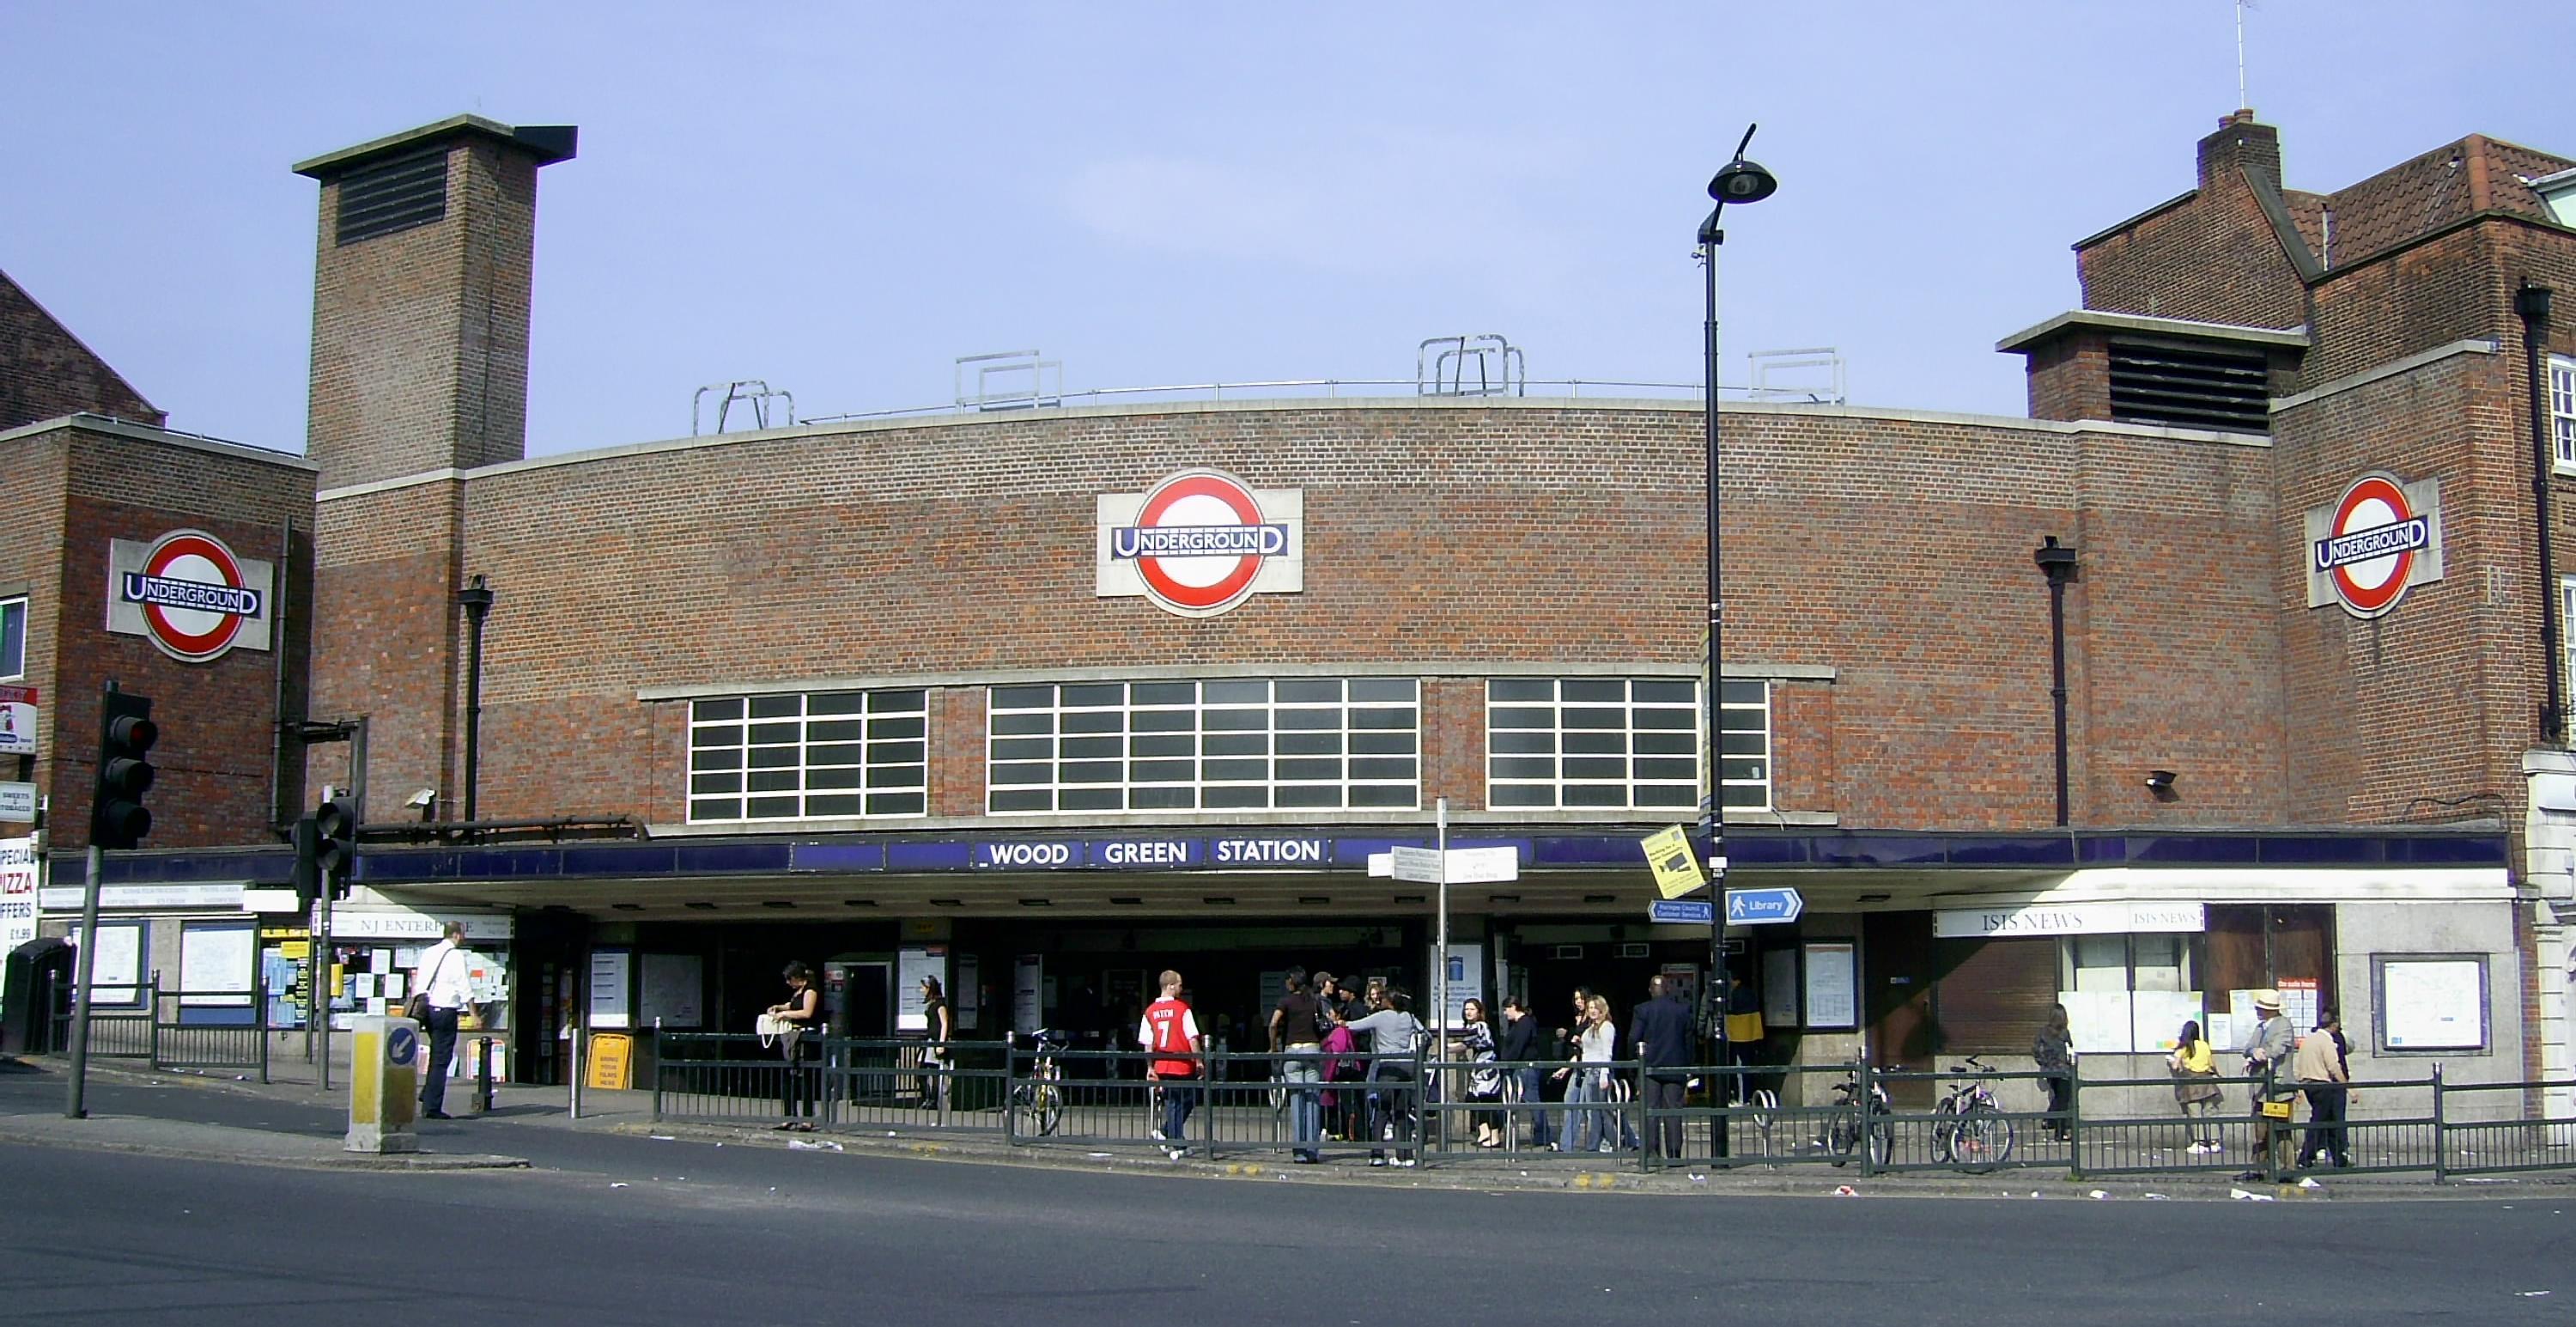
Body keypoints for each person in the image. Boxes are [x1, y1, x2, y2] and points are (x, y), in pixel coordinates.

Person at [1336, 985, 1427, 1167]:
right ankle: (1405, 1155)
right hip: (1407, 1067)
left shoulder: (1382, 1016)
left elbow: (1355, 1026)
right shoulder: (1408, 1016)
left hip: (1387, 1066)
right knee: (1402, 1111)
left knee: (1382, 1110)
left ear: (1389, 1001)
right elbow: (1423, 1032)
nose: (1380, 1000)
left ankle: (1377, 1154)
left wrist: (1340, 1022)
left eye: (1383, 998)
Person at [411, 922, 474, 1120]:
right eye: (462, 934)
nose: (463, 938)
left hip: (427, 1009)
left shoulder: (429, 952)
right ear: (455, 935)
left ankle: (428, 1094)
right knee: (442, 1059)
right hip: (445, 1010)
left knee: (436, 1054)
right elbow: (464, 985)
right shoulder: (455, 956)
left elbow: (420, 982)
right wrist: (473, 1012)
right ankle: (432, 1107)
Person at [1140, 970, 1203, 1160]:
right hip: (1182, 1063)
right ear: (1170, 986)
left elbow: (1147, 1043)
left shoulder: (1150, 1011)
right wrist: (1199, 1060)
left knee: (1173, 1102)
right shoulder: (1183, 1009)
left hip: (1161, 1063)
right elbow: (1192, 1037)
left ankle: (1169, 1134)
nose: (1181, 988)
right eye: (1180, 985)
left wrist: (1150, 1067)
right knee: (1186, 1099)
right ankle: (1176, 1141)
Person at [2237, 989, 2299, 1179]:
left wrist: (2260, 1053)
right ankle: (2259, 1169)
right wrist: (2254, 1052)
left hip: (2278, 1089)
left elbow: (2276, 1050)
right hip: (2261, 1089)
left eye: (2261, 1008)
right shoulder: (2260, 1027)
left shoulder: (2284, 1026)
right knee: (2259, 1130)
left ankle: (2288, 1170)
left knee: (2281, 1131)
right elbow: (2247, 1048)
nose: (2258, 1010)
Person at [1631, 975, 1692, 1161]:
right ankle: (1674, 1155)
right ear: (1668, 989)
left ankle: (1651, 1154)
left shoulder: (1642, 1010)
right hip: (1675, 1066)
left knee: (1650, 1112)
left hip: (1650, 1067)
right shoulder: (1682, 1010)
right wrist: (1688, 1066)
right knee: (1673, 1111)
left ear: (1650, 990)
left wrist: (1634, 1066)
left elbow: (1633, 1038)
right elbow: (1689, 1041)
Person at [1267, 966, 1326, 1163]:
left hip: (1292, 1050)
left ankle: (1299, 1151)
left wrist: (1273, 1047)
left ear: (1290, 982)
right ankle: (1313, 1150)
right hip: (1312, 1050)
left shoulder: (1285, 1001)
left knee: (1296, 1101)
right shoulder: (1314, 1000)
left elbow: (1274, 1023)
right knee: (1312, 1099)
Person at [1558, 994, 1619, 1154]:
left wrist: (1605, 1074)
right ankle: (1596, 1144)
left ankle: (1608, 1142)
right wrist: (1578, 1043)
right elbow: (1587, 1049)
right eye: (1590, 1008)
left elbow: (1607, 1052)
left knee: (1600, 1110)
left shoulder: (1606, 1027)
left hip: (1599, 1072)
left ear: (1602, 1009)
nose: (1592, 1011)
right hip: (1588, 1070)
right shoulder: (1591, 1029)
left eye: (1595, 1008)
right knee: (1591, 1110)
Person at [2294, 1010, 2353, 1170]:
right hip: (2323, 1085)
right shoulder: (2326, 1041)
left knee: (2329, 1121)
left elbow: (2300, 1065)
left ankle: (2339, 1159)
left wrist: (2299, 1087)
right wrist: (2348, 1088)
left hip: (2309, 1085)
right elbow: (2334, 1066)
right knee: (2319, 1122)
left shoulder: (2308, 1040)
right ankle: (2305, 1158)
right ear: (2334, 1025)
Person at [766, 960, 822, 1128]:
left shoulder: (810, 991)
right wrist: (779, 1008)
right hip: (793, 1035)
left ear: (798, 978)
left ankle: (807, 1118)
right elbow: (791, 1005)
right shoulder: (797, 992)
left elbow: (806, 1012)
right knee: (789, 1076)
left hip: (806, 1036)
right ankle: (789, 1116)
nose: (788, 983)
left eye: (790, 979)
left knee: (805, 1078)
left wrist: (785, 1015)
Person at [1498, 995, 1549, 1148]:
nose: (1505, 1013)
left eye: (1506, 1009)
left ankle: (1542, 1134)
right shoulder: (1521, 1024)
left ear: (1513, 1007)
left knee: (1532, 1100)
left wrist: (1506, 1061)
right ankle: (1539, 1134)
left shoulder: (1524, 1023)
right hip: (1521, 1067)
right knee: (1523, 1100)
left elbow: (1518, 1045)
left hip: (1525, 1067)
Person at [1451, 997, 1503, 1148]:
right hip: (1479, 1065)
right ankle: (1484, 1132)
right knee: (1473, 1098)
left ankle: (1494, 1136)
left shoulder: (1480, 1026)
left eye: (1472, 1009)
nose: (1468, 1012)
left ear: (1479, 1012)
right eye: (1466, 1009)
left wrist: (1445, 1048)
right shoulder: (1472, 1026)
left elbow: (1465, 1044)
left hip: (1487, 1066)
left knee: (1488, 1100)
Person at [2168, 1018, 2223, 1154]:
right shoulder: (2204, 1045)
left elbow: (2176, 1066)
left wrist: (2171, 1061)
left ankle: (2199, 1143)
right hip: (2207, 1081)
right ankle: (2214, 1142)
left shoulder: (2184, 1047)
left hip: (2191, 1083)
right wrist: (2218, 1074)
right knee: (2210, 1111)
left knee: (2195, 1113)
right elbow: (2212, 1064)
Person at [2032, 1002, 2075, 1141]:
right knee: (2063, 1100)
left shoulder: (2043, 1032)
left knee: (2057, 1098)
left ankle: (2051, 1122)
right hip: (2063, 1071)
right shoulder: (2064, 1033)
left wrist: (2044, 1062)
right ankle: (2058, 1130)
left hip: (2049, 1071)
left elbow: (2035, 1050)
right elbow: (2070, 1048)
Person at [919, 975, 954, 1111]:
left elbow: (944, 1023)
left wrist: (941, 1043)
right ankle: (927, 1097)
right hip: (929, 1040)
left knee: (934, 1071)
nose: (922, 990)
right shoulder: (930, 1003)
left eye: (923, 987)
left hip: (936, 1040)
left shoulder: (940, 1004)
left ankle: (932, 1100)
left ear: (930, 988)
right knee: (921, 1070)